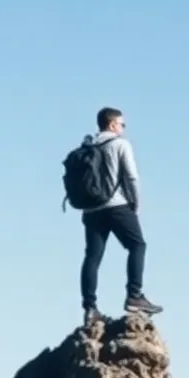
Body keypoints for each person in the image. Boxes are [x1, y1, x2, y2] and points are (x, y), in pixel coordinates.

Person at [77, 107, 163, 323]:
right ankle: (134, 296)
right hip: (117, 206)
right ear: (113, 124)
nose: (123, 128)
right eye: (122, 124)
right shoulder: (120, 144)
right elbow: (132, 177)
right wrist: (136, 205)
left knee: (92, 257)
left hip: (91, 209)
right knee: (137, 246)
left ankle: (90, 309)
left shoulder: (88, 144)